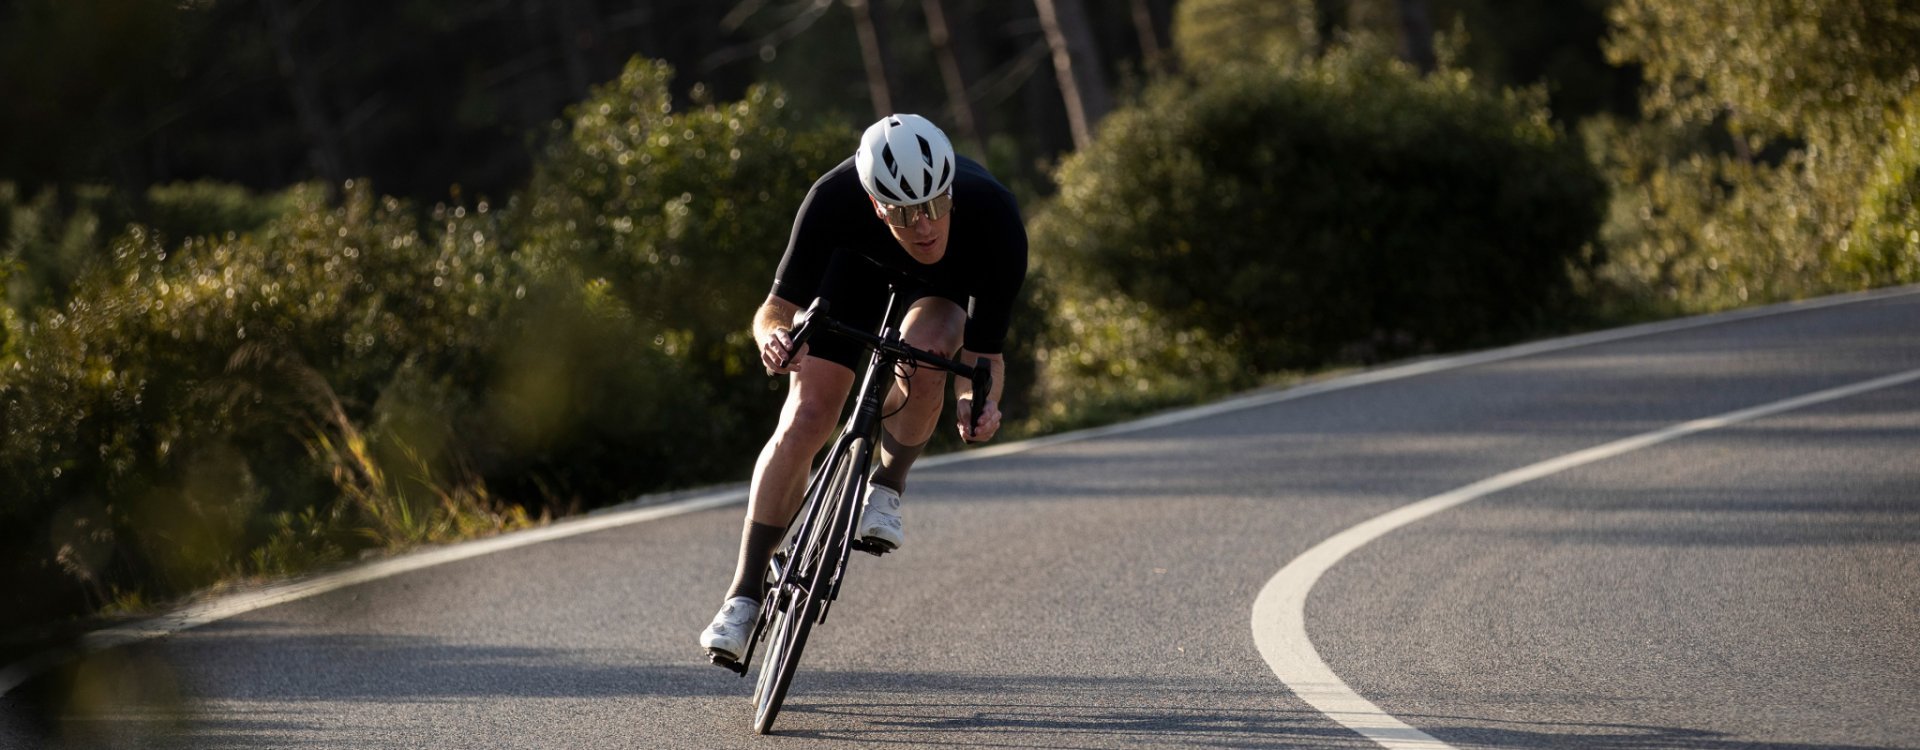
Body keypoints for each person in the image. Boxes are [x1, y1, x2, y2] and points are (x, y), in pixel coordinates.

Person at [700, 114, 1028, 661]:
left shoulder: (994, 215)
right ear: (875, 203)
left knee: (928, 350)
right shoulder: (832, 198)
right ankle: (743, 595)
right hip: (852, 274)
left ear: (950, 191)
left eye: (934, 206)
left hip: (942, 293)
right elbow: (772, 311)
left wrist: (979, 405)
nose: (924, 227)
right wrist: (774, 339)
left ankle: (888, 486)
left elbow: (984, 357)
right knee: (806, 418)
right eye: (903, 212)